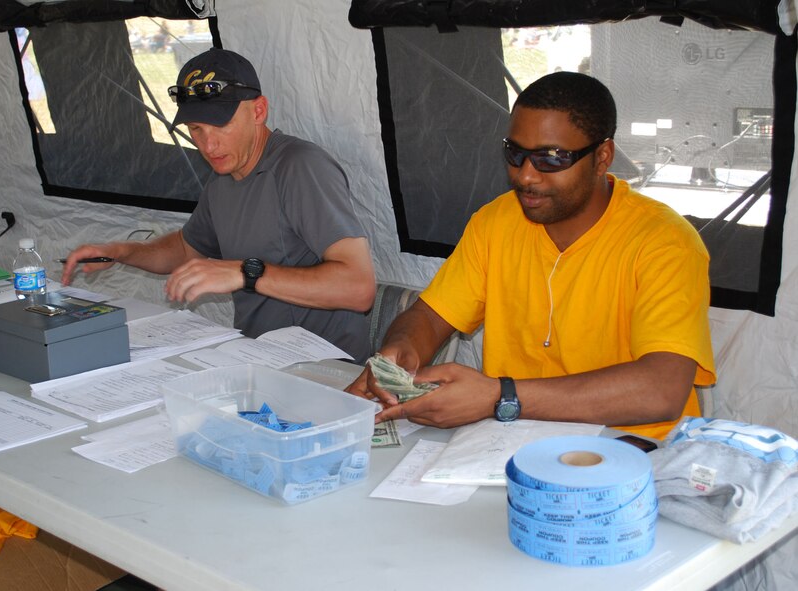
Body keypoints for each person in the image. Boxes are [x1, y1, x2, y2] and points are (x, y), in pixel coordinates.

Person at [347, 71, 716, 440]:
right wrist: (401, 349)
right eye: (515, 153)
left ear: (602, 157)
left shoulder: (665, 242)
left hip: (632, 451)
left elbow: (661, 390)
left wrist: (500, 397)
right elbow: (429, 317)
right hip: (509, 443)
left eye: (551, 159)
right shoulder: (496, 222)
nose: (525, 176)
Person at [61, 48, 376, 363]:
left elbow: (359, 288)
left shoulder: (300, 167)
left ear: (258, 111)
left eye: (221, 125)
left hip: (326, 369)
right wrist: (120, 251)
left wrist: (246, 274)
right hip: (262, 359)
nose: (208, 145)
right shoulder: (223, 178)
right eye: (196, 129)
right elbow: (186, 249)